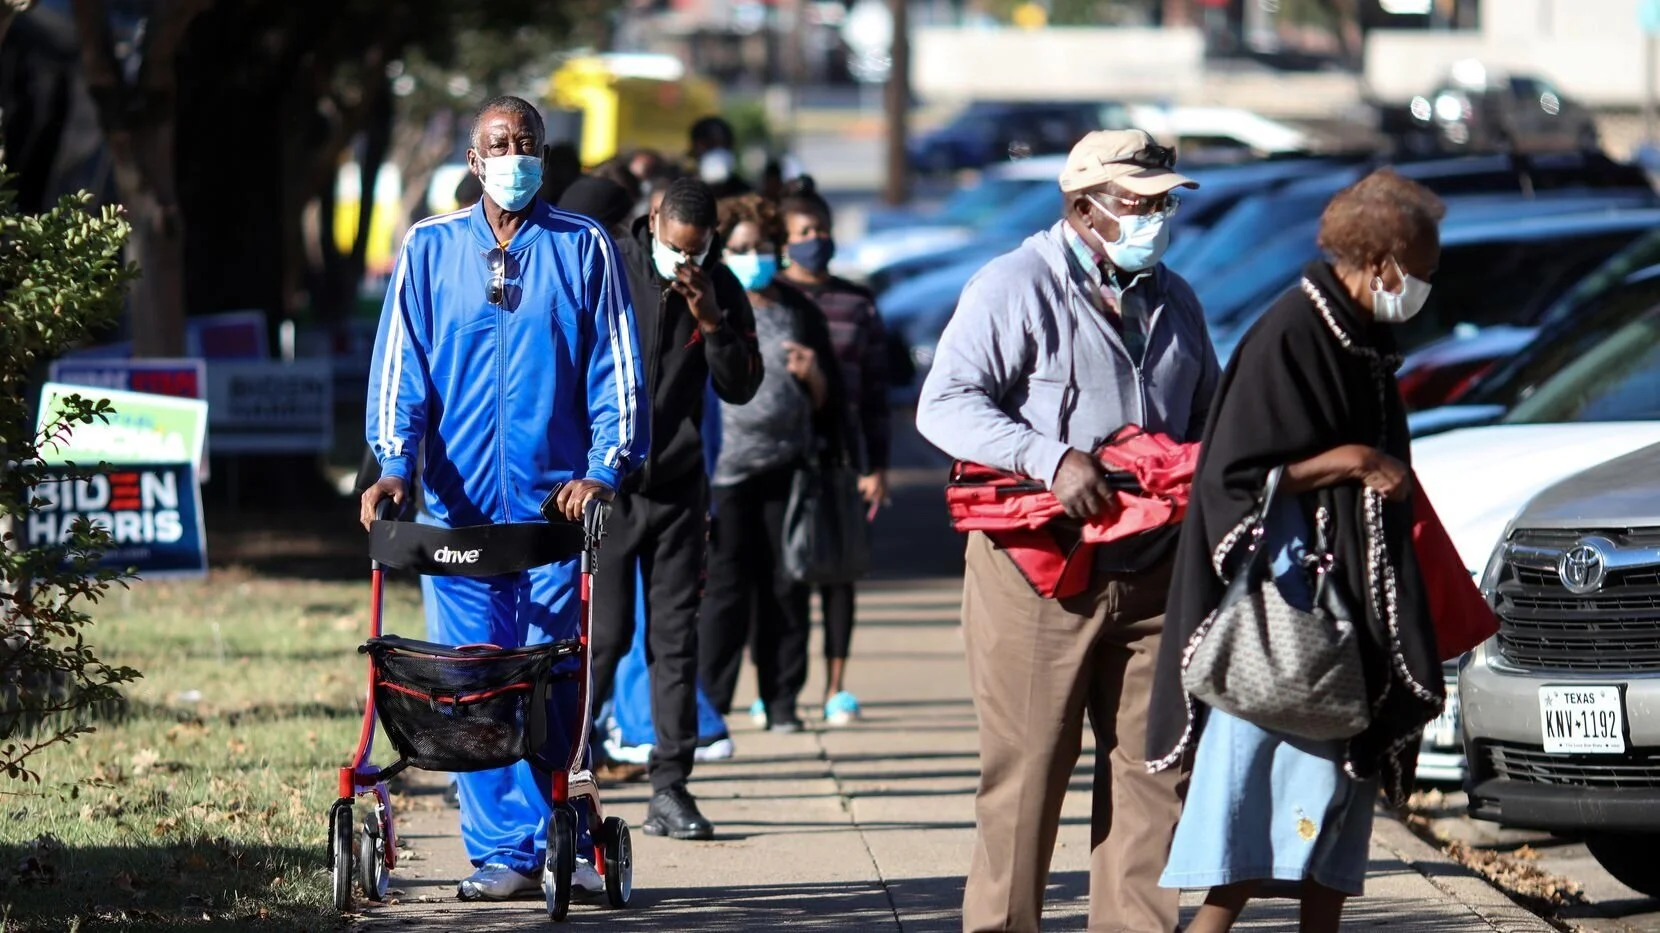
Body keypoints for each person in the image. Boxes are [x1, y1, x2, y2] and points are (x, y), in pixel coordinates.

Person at [915, 129, 1220, 933]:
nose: (1157, 216)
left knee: (1156, 776)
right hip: (1037, 576)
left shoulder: (1177, 299)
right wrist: (1048, 459)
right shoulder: (1013, 285)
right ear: (1086, 207)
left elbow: (1207, 422)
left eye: (1165, 203)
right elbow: (943, 405)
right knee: (1026, 778)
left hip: (1155, 574)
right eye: (1138, 203)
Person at [359, 95, 646, 901]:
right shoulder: (428, 249)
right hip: (457, 515)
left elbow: (614, 372)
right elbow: (400, 369)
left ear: (545, 154)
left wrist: (604, 467)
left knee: (552, 678)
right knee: (474, 684)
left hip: (553, 515)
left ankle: (563, 826)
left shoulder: (583, 246)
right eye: (497, 142)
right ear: (473, 159)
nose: (512, 153)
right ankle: (503, 852)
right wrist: (391, 464)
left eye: (525, 141)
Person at [1148, 168, 1447, 933]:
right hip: (1288, 631)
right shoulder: (1293, 330)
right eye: (1421, 265)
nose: (1424, 283)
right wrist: (1349, 459)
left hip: (1350, 625)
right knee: (1239, 848)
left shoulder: (1363, 337)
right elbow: (1232, 475)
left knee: (1333, 842)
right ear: (1380, 261)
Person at [585, 176, 764, 841]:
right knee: (603, 640)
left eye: (698, 250)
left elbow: (741, 385)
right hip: (609, 488)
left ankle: (671, 785)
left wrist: (713, 320)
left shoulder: (719, 286)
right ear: (653, 220)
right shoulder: (608, 267)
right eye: (675, 248)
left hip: (679, 491)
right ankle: (572, 771)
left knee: (674, 642)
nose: (684, 263)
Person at [699, 193, 848, 732]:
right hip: (722, 474)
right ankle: (709, 706)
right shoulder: (709, 301)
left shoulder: (797, 310)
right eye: (741, 247)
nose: (754, 256)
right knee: (723, 595)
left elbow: (832, 400)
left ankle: (781, 700)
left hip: (788, 467)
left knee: (787, 587)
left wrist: (813, 377)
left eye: (762, 246)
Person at [775, 175, 890, 726]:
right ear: (783, 240)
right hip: (783, 457)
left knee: (840, 574)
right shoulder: (771, 297)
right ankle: (784, 689)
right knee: (787, 576)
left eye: (821, 229)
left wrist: (877, 466)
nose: (814, 239)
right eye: (803, 231)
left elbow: (873, 392)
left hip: (841, 455)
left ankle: (837, 687)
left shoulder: (857, 302)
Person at [689, 116, 750, 199]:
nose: (718, 152)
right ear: (696, 147)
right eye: (711, 144)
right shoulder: (683, 192)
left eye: (724, 144)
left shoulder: (745, 194)